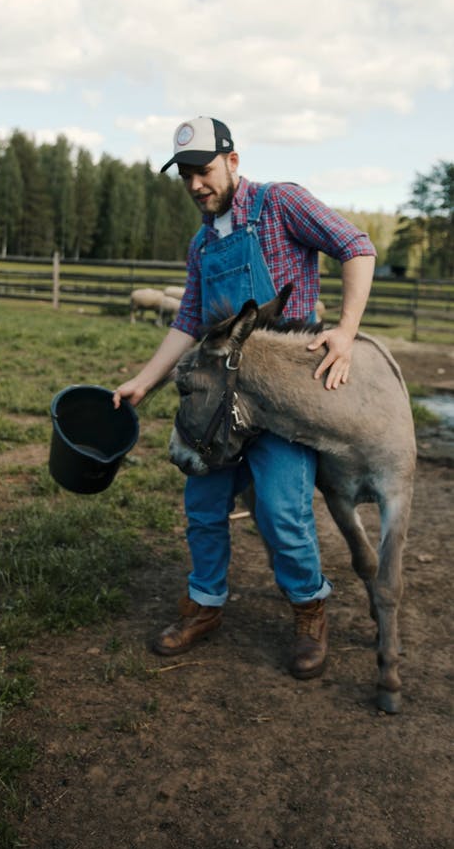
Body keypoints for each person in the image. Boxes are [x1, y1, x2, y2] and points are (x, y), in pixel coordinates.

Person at [114, 116, 376, 680]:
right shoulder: (202, 240)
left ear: (232, 162)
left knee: (283, 511)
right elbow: (188, 318)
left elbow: (356, 246)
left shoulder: (282, 204)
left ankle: (309, 608)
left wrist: (347, 330)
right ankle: (205, 605)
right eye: (184, 176)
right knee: (203, 507)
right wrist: (145, 380)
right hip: (219, 396)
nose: (194, 186)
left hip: (280, 392)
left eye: (202, 172)